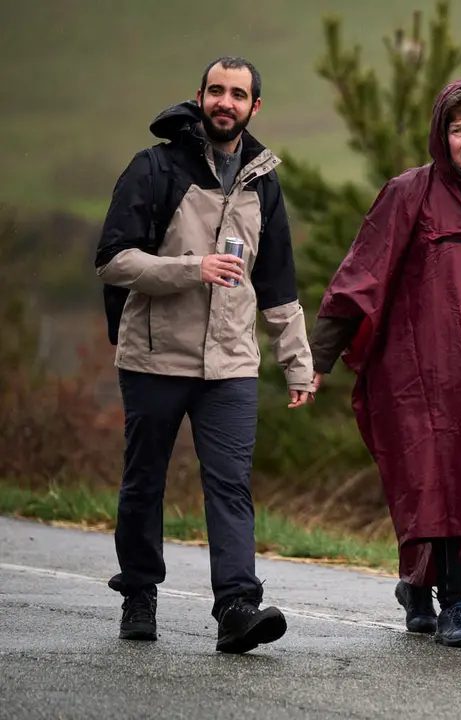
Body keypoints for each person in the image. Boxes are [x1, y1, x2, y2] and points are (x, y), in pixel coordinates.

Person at [308, 78, 461, 650]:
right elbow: (360, 277)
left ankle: (418, 585)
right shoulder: (410, 194)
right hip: (417, 370)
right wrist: (317, 356)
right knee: (437, 477)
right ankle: (455, 603)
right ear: (440, 136)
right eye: (458, 130)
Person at [93, 56, 314, 653]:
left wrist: (298, 363)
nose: (225, 102)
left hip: (231, 367)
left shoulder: (263, 180)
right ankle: (139, 591)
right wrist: (193, 269)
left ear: (253, 108)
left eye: (238, 94)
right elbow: (113, 260)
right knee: (144, 481)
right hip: (154, 359)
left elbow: (279, 283)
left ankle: (237, 608)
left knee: (231, 485)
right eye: (216, 91)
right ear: (200, 97)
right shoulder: (155, 168)